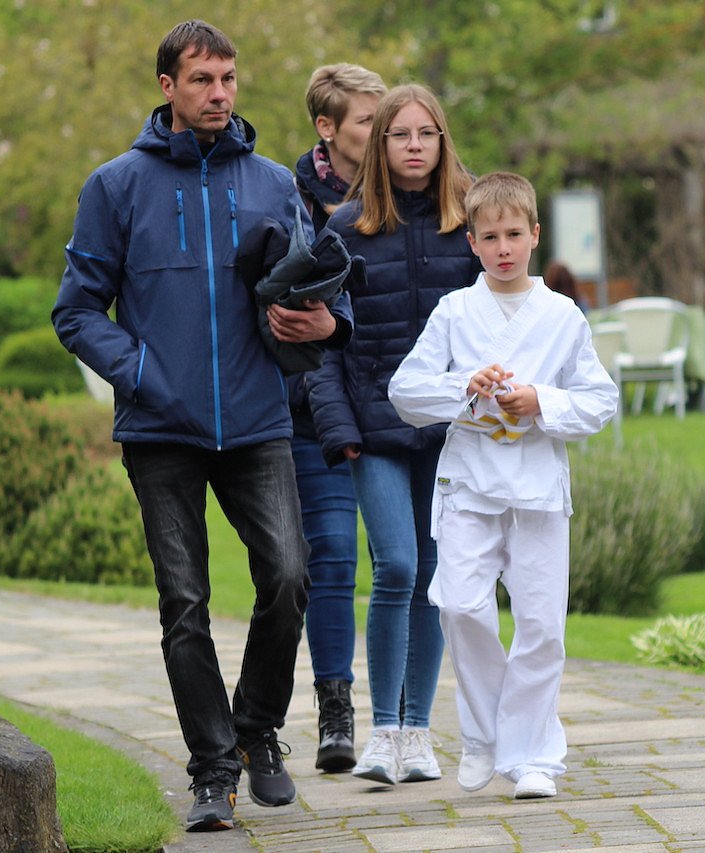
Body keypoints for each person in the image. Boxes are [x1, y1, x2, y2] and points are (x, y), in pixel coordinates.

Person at [51, 20, 352, 833]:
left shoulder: (273, 184)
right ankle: (213, 770)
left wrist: (326, 323)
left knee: (288, 575)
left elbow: (323, 287)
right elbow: (76, 311)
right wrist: (145, 373)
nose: (219, 94)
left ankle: (256, 728)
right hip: (161, 431)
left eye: (228, 79)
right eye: (202, 80)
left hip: (257, 421)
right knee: (184, 601)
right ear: (168, 87)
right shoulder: (115, 186)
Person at [387, 172, 618, 799]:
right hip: (469, 483)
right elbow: (405, 391)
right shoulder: (454, 311)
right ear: (472, 242)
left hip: (538, 486)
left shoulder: (562, 315)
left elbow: (600, 400)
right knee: (460, 606)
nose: (504, 248)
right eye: (490, 237)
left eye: (514, 234)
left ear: (535, 235)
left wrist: (541, 400)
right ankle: (486, 734)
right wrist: (465, 386)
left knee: (540, 623)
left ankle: (534, 756)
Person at [308, 83, 481, 786]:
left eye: (426, 133)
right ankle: (383, 731)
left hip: (450, 434)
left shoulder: (469, 225)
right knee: (398, 568)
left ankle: (418, 733)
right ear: (379, 144)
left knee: (433, 579)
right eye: (400, 134)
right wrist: (339, 427)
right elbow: (320, 344)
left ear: (443, 142)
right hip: (373, 431)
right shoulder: (346, 230)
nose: (414, 146)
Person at [291, 63, 387, 774]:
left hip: (390, 405)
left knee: (402, 559)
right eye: (367, 120)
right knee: (329, 553)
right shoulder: (288, 199)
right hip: (311, 407)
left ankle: (403, 716)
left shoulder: (412, 194)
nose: (383, 132)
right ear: (327, 128)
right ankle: (335, 710)